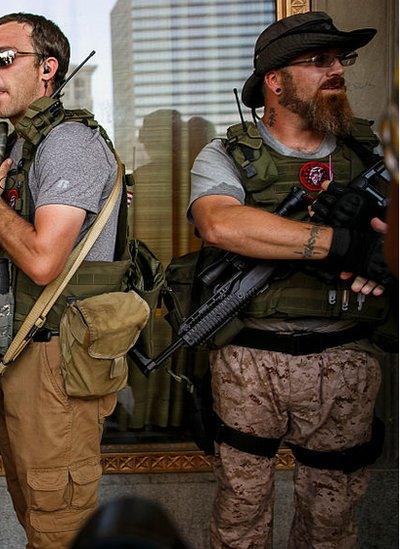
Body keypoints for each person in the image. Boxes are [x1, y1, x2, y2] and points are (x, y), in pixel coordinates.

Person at [187, 12, 392, 548]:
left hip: (346, 357)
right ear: (274, 81)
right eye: (318, 61)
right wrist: (344, 245)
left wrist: (386, 258)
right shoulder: (227, 153)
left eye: (339, 60)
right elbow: (220, 222)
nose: (336, 71)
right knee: (240, 520)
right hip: (252, 360)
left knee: (332, 524)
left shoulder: (375, 154)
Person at [0, 13, 126, 548]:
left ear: (48, 68)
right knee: (37, 515)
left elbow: (42, 260)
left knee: (60, 525)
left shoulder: (67, 143)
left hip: (57, 357)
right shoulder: (23, 145)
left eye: (5, 59)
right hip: (26, 352)